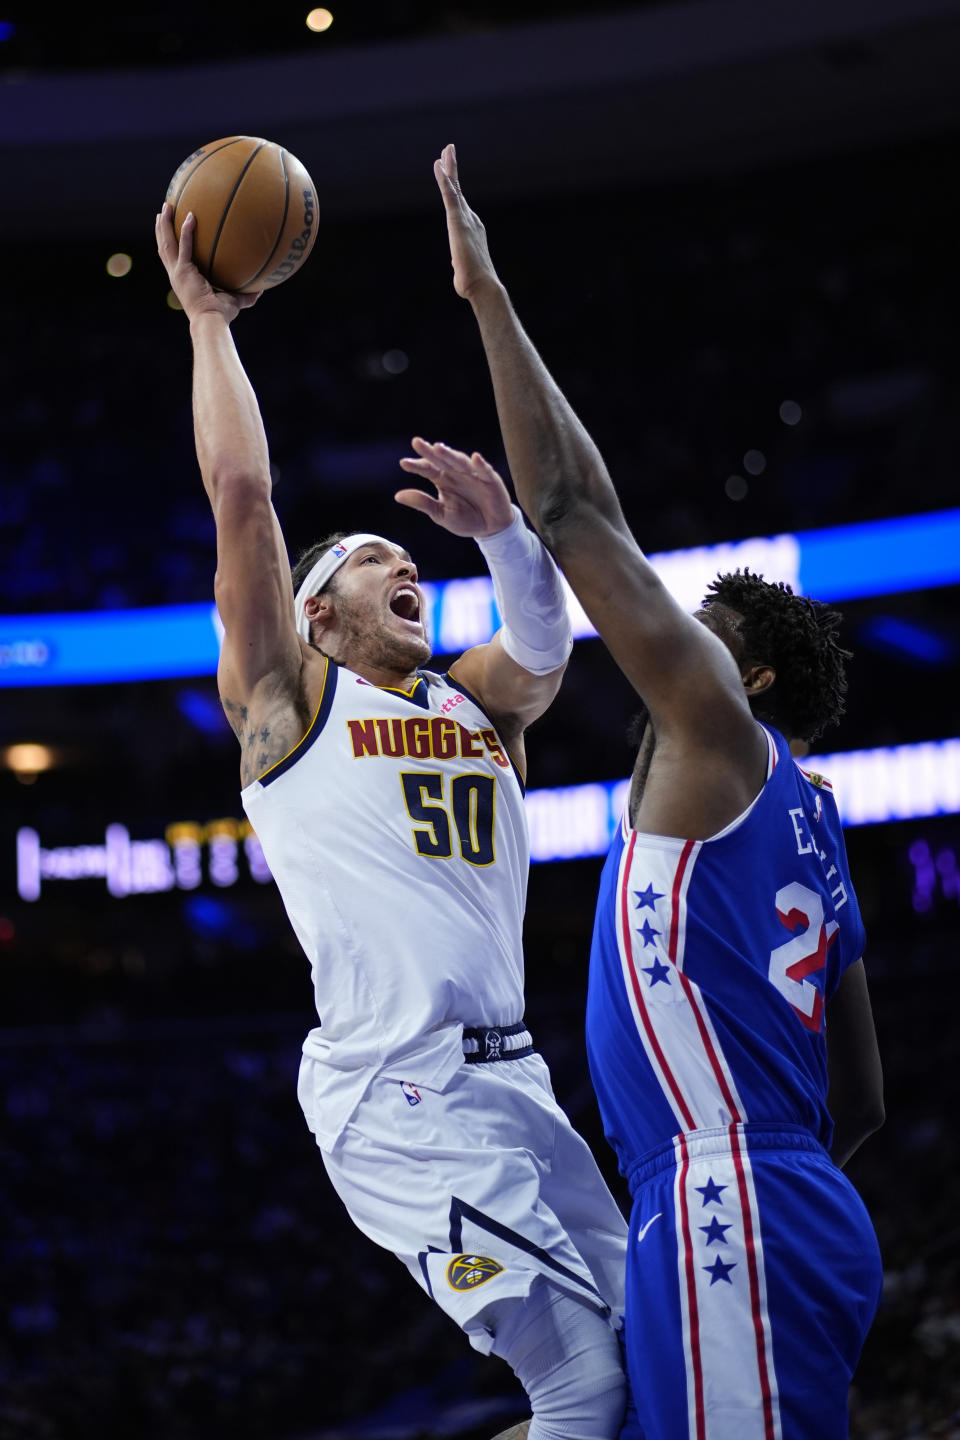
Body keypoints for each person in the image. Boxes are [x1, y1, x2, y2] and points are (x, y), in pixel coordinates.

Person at [423, 143, 886, 1440]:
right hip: (760, 1205)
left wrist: (487, 297)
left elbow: (573, 509)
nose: (658, 630)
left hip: (726, 1199)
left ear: (746, 670)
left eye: (692, 623)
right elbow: (862, 1100)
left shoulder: (720, 732)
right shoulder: (808, 821)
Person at [155, 203, 632, 1440]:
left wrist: (509, 538)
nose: (397, 559)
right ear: (317, 615)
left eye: (399, 551)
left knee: (657, 1361)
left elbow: (542, 651)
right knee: (583, 1387)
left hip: (513, 1080)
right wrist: (210, 322)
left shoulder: (469, 701)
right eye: (370, 559)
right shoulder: (289, 703)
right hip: (397, 1097)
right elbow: (243, 496)